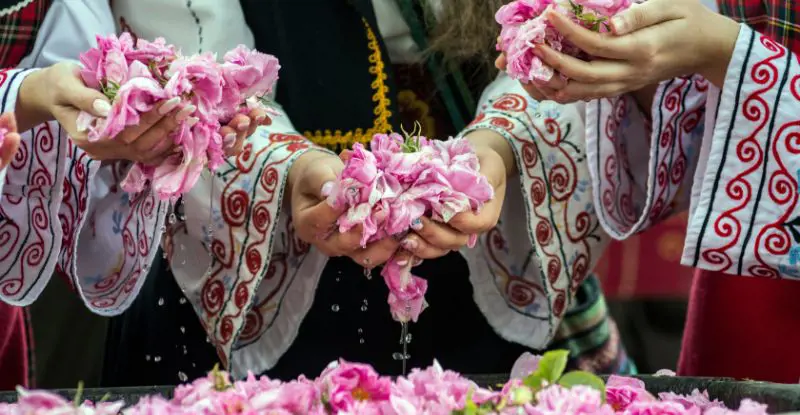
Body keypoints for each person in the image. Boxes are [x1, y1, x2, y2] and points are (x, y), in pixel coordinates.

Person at [0, 0, 631, 385]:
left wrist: (494, 151)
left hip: (484, 245)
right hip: (249, 249)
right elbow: (198, 57)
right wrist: (293, 171)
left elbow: (571, 26)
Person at [503, 0, 800, 383]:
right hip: (741, 285)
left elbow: (719, 47)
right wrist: (630, 52)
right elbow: (705, 135)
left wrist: (723, 50)